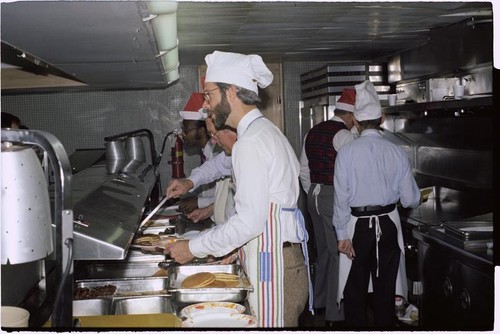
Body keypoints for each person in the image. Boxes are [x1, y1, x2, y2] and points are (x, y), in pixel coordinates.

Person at [165, 51, 311, 327]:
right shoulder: (263, 131)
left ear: (230, 92)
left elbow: (249, 221)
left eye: (209, 95)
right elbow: (264, 212)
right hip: (278, 257)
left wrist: (193, 248)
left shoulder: (249, 143)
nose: (207, 106)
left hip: (274, 265)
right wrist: (235, 248)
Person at [332, 80, 421, 328]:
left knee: (354, 289)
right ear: (381, 118)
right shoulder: (396, 152)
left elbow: (341, 198)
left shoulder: (347, 153)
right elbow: (411, 199)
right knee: (385, 290)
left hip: (356, 227)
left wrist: (341, 234)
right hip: (388, 226)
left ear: (357, 122)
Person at [298, 87, 356, 326]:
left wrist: (313, 192)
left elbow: (303, 170)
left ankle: (318, 302)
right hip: (333, 197)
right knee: (336, 255)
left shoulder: (312, 131)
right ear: (352, 116)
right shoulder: (345, 136)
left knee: (322, 252)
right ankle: (335, 314)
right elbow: (352, 173)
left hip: (314, 195)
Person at [186, 116, 237, 225]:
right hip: (224, 227)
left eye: (215, 134)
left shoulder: (250, 152)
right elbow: (215, 167)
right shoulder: (231, 153)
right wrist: (188, 183)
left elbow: (244, 217)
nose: (213, 141)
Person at [177, 93, 220, 215]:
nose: (183, 134)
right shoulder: (205, 153)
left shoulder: (218, 152)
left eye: (186, 130)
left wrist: (199, 202)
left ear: (201, 130)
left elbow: (227, 196)